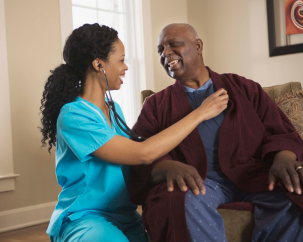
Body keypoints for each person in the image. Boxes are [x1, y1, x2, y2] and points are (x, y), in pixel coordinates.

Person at [39, 23, 228, 242]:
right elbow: (142, 153)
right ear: (98, 64)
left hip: (125, 217)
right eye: (121, 60)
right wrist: (201, 113)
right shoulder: (74, 116)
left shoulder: (114, 110)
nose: (126, 67)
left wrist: (168, 166)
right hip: (86, 217)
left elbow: (133, 162)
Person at [129, 23, 303, 242]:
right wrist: (165, 166)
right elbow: (139, 154)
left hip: (253, 175)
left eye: (173, 44)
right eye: (160, 50)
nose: (165, 53)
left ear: (198, 46)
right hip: (200, 181)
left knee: (295, 192)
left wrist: (284, 156)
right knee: (176, 200)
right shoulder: (156, 105)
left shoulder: (245, 88)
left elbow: (279, 130)